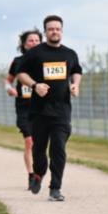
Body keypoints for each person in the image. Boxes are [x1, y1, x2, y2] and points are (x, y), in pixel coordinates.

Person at [16, 15, 82, 202]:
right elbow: (21, 73)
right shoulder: (36, 53)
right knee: (39, 150)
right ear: (46, 32)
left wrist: (75, 84)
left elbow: (77, 70)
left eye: (58, 29)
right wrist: (35, 85)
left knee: (58, 149)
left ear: (62, 31)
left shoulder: (69, 54)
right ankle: (38, 174)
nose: (55, 31)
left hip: (61, 111)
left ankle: (55, 188)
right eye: (51, 29)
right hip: (39, 112)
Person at [7, 29, 42, 189]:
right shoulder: (18, 61)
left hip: (41, 108)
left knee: (40, 144)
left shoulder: (44, 60)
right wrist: (9, 88)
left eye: (37, 40)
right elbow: (8, 80)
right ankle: (31, 175)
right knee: (29, 141)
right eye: (31, 40)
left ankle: (39, 171)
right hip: (24, 109)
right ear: (24, 44)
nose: (34, 43)